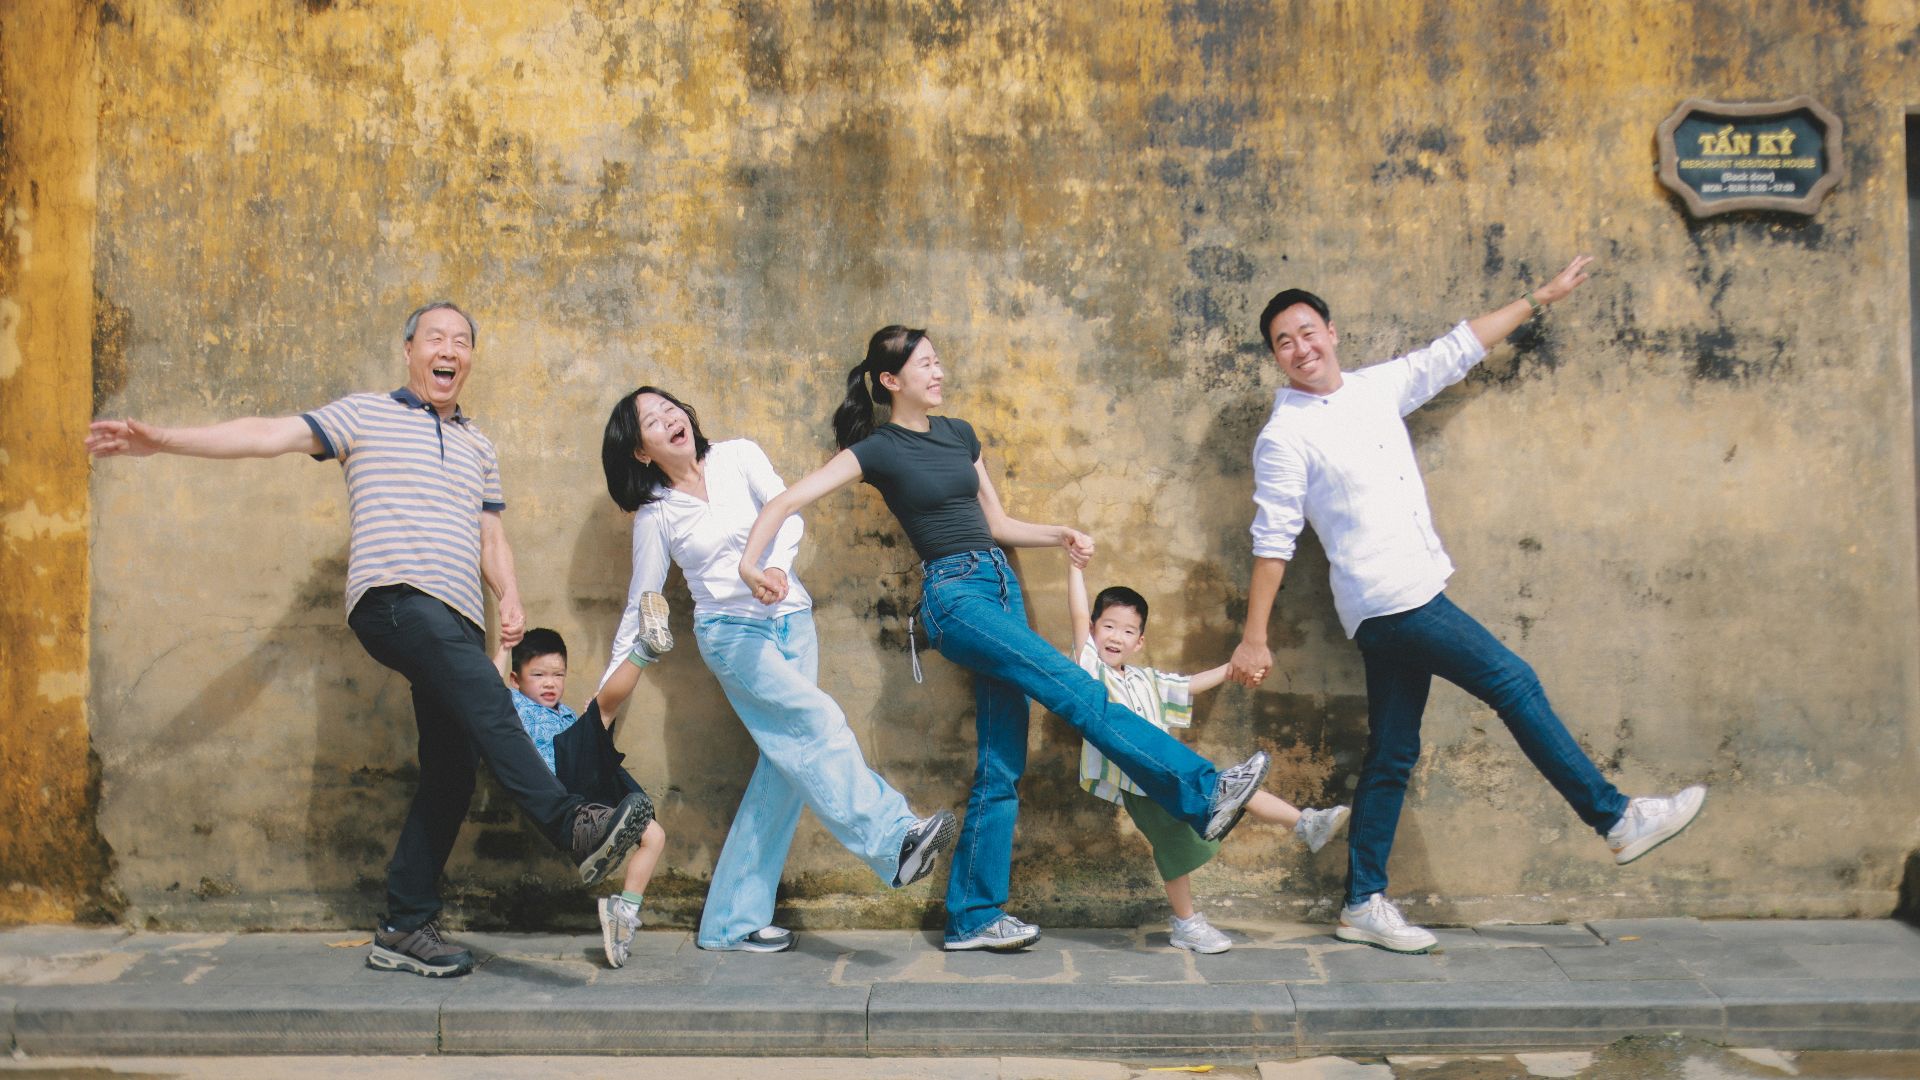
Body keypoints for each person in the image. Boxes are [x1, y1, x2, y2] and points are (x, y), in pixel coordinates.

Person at [84, 301, 652, 978]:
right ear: (409, 351)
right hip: (394, 601)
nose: (450, 349)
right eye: (436, 337)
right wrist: (168, 440)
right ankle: (570, 825)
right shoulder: (364, 414)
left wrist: (511, 593)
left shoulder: (479, 445)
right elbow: (271, 434)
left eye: (462, 341)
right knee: (488, 702)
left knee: (450, 772)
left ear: (469, 360)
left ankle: (404, 927)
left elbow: (489, 532)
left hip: (457, 619)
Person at [737, 326, 1273, 953]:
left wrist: (1059, 535)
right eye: (926, 365)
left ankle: (972, 917)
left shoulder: (960, 435)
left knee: (1002, 763)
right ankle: (1203, 791)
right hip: (954, 597)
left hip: (999, 588)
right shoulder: (877, 449)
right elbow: (783, 503)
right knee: (1078, 687)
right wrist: (753, 564)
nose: (939, 372)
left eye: (939, 362)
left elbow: (995, 522)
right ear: (890, 381)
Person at [1229, 258, 1708, 954]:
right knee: (1513, 681)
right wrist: (1253, 637)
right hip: (1394, 600)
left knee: (1393, 752)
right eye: (1284, 342)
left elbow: (1454, 351)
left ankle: (1362, 901)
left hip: (1403, 599)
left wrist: (1538, 298)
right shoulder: (1284, 437)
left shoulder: (1374, 389)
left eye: (1308, 332)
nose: (1301, 349)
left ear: (1332, 332)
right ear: (1276, 356)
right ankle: (1615, 818)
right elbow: (1272, 539)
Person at [596, 386, 957, 954]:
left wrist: (770, 571)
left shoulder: (739, 455)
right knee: (816, 720)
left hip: (792, 618)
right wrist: (604, 702)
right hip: (733, 636)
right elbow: (641, 603)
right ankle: (894, 837)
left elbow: (786, 515)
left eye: (671, 407)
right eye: (651, 420)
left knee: (784, 774)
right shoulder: (658, 515)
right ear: (640, 451)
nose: (670, 418)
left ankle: (729, 923)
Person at [1065, 563, 1350, 954]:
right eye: (1108, 626)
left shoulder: (1145, 679)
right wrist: (1076, 567)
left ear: (1140, 642)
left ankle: (1305, 823)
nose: (1116, 636)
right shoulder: (1090, 669)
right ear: (1095, 629)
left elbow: (1186, 685)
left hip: (1173, 773)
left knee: (1233, 787)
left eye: (1128, 631)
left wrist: (1233, 669)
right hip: (1138, 780)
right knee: (1175, 844)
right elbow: (1078, 615)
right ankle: (1186, 923)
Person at [494, 627, 667, 969]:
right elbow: (487, 684)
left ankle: (624, 914)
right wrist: (504, 645)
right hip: (560, 779)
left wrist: (589, 726)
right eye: (539, 675)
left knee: (655, 835)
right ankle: (645, 649)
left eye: (558, 675)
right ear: (516, 679)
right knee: (601, 711)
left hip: (587, 776)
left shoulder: (567, 713)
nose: (550, 683)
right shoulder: (514, 704)